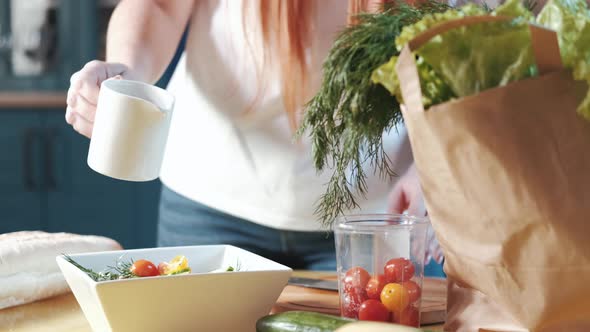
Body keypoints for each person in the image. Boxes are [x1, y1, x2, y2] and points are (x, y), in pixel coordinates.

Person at [65, 0, 441, 271]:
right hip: (211, 201)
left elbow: (457, 42)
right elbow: (161, 6)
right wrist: (126, 78)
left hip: (373, 215)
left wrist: (434, 166)